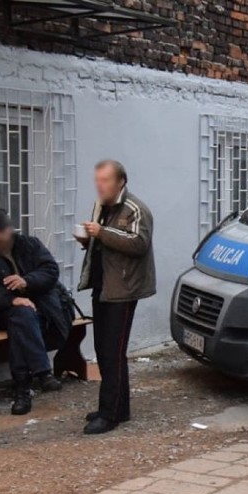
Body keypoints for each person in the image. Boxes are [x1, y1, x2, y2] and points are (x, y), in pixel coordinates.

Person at [76, 160, 155, 435]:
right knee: (103, 349)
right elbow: (104, 241)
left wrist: (103, 233)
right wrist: (89, 240)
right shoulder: (101, 206)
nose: (100, 185)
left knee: (113, 351)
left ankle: (110, 414)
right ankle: (118, 407)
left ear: (120, 181)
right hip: (103, 285)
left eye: (105, 180)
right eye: (97, 179)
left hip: (123, 289)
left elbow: (139, 244)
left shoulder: (135, 209)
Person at [0, 207, 69, 415]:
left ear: (9, 230)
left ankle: (22, 390)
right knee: (21, 316)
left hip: (42, 309)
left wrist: (26, 281)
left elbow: (50, 270)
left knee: (21, 325)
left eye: (1, 233)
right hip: (5, 311)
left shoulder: (29, 244)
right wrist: (13, 299)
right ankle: (43, 372)